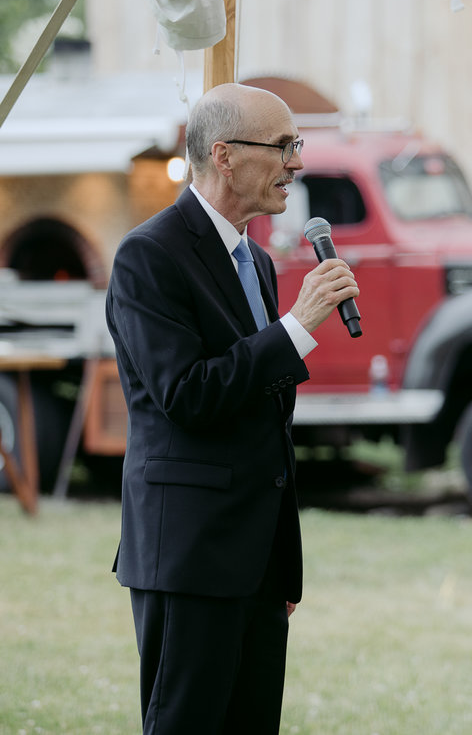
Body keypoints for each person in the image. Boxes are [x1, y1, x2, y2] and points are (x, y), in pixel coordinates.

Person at [105, 83, 360, 734]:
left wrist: (278, 561)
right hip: (191, 554)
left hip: (256, 558)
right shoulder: (148, 255)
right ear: (223, 155)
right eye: (282, 146)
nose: (296, 163)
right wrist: (298, 327)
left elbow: (261, 412)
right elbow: (187, 396)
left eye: (295, 146)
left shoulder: (257, 260)